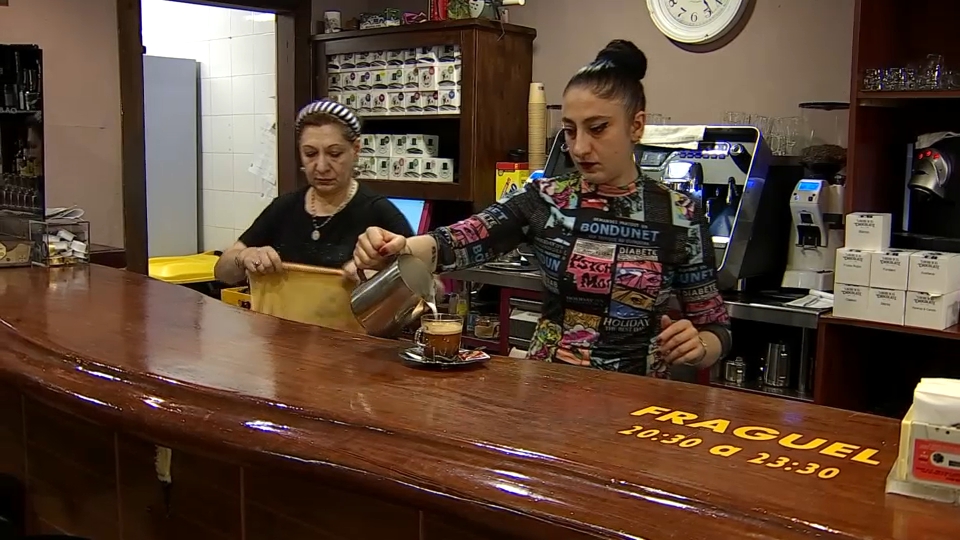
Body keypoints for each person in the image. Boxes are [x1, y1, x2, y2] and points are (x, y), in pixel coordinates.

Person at [348, 40, 732, 377]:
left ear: (636, 125)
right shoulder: (546, 198)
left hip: (636, 398)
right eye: (569, 129)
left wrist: (699, 346)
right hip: (548, 392)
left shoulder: (680, 213)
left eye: (597, 128)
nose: (579, 147)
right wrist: (397, 247)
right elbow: (461, 239)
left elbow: (716, 329)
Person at [214, 100, 414, 285]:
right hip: (282, 322)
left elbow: (433, 287)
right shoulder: (284, 208)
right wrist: (244, 256)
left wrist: (385, 279)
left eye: (334, 154)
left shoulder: (379, 212)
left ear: (356, 150)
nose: (321, 166)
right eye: (310, 154)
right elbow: (222, 272)